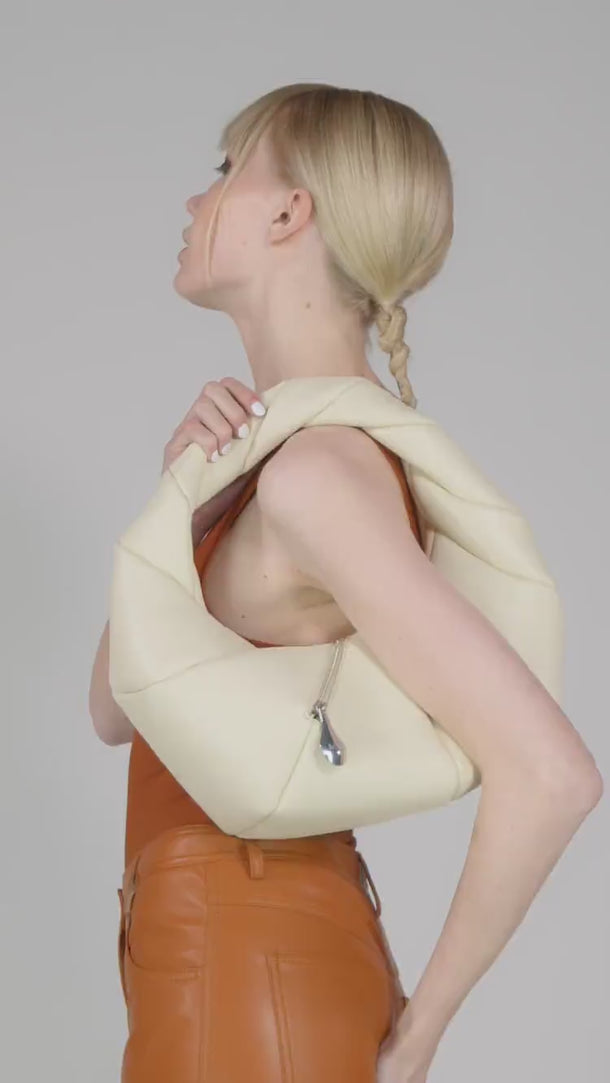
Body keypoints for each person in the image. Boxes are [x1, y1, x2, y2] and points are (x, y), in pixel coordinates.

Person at [88, 83, 603, 1083]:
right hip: (227, 950)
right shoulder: (272, 464)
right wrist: (182, 507)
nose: (196, 201)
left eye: (226, 171)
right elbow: (114, 709)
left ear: (291, 213)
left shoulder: (317, 475)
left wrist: (419, 1037)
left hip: (243, 956)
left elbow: (553, 774)